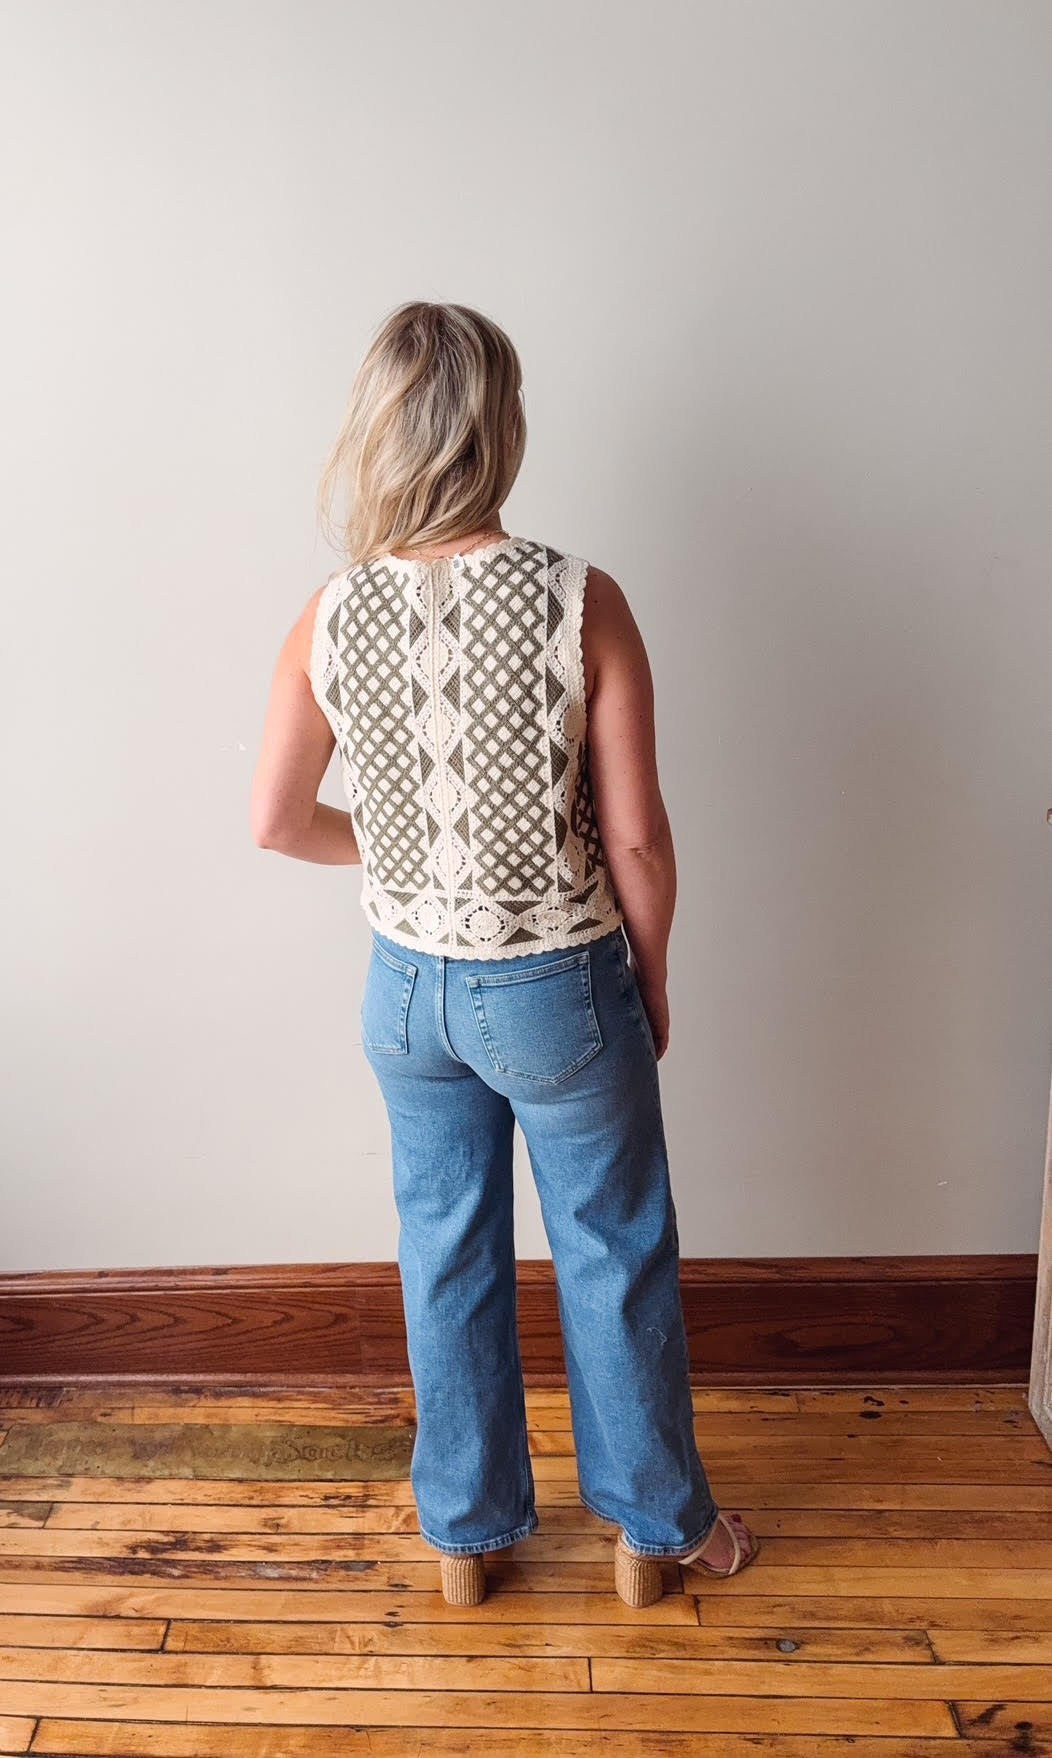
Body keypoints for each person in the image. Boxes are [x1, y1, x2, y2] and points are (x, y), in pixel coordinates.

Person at [250, 299, 760, 1608]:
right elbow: (637, 840)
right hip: (557, 984)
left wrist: (413, 859)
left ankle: (466, 1541)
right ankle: (656, 1533)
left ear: (382, 433)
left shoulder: (331, 612)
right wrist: (649, 973)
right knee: (612, 1243)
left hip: (406, 994)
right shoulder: (577, 597)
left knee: (445, 1246)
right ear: (501, 428)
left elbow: (274, 818)